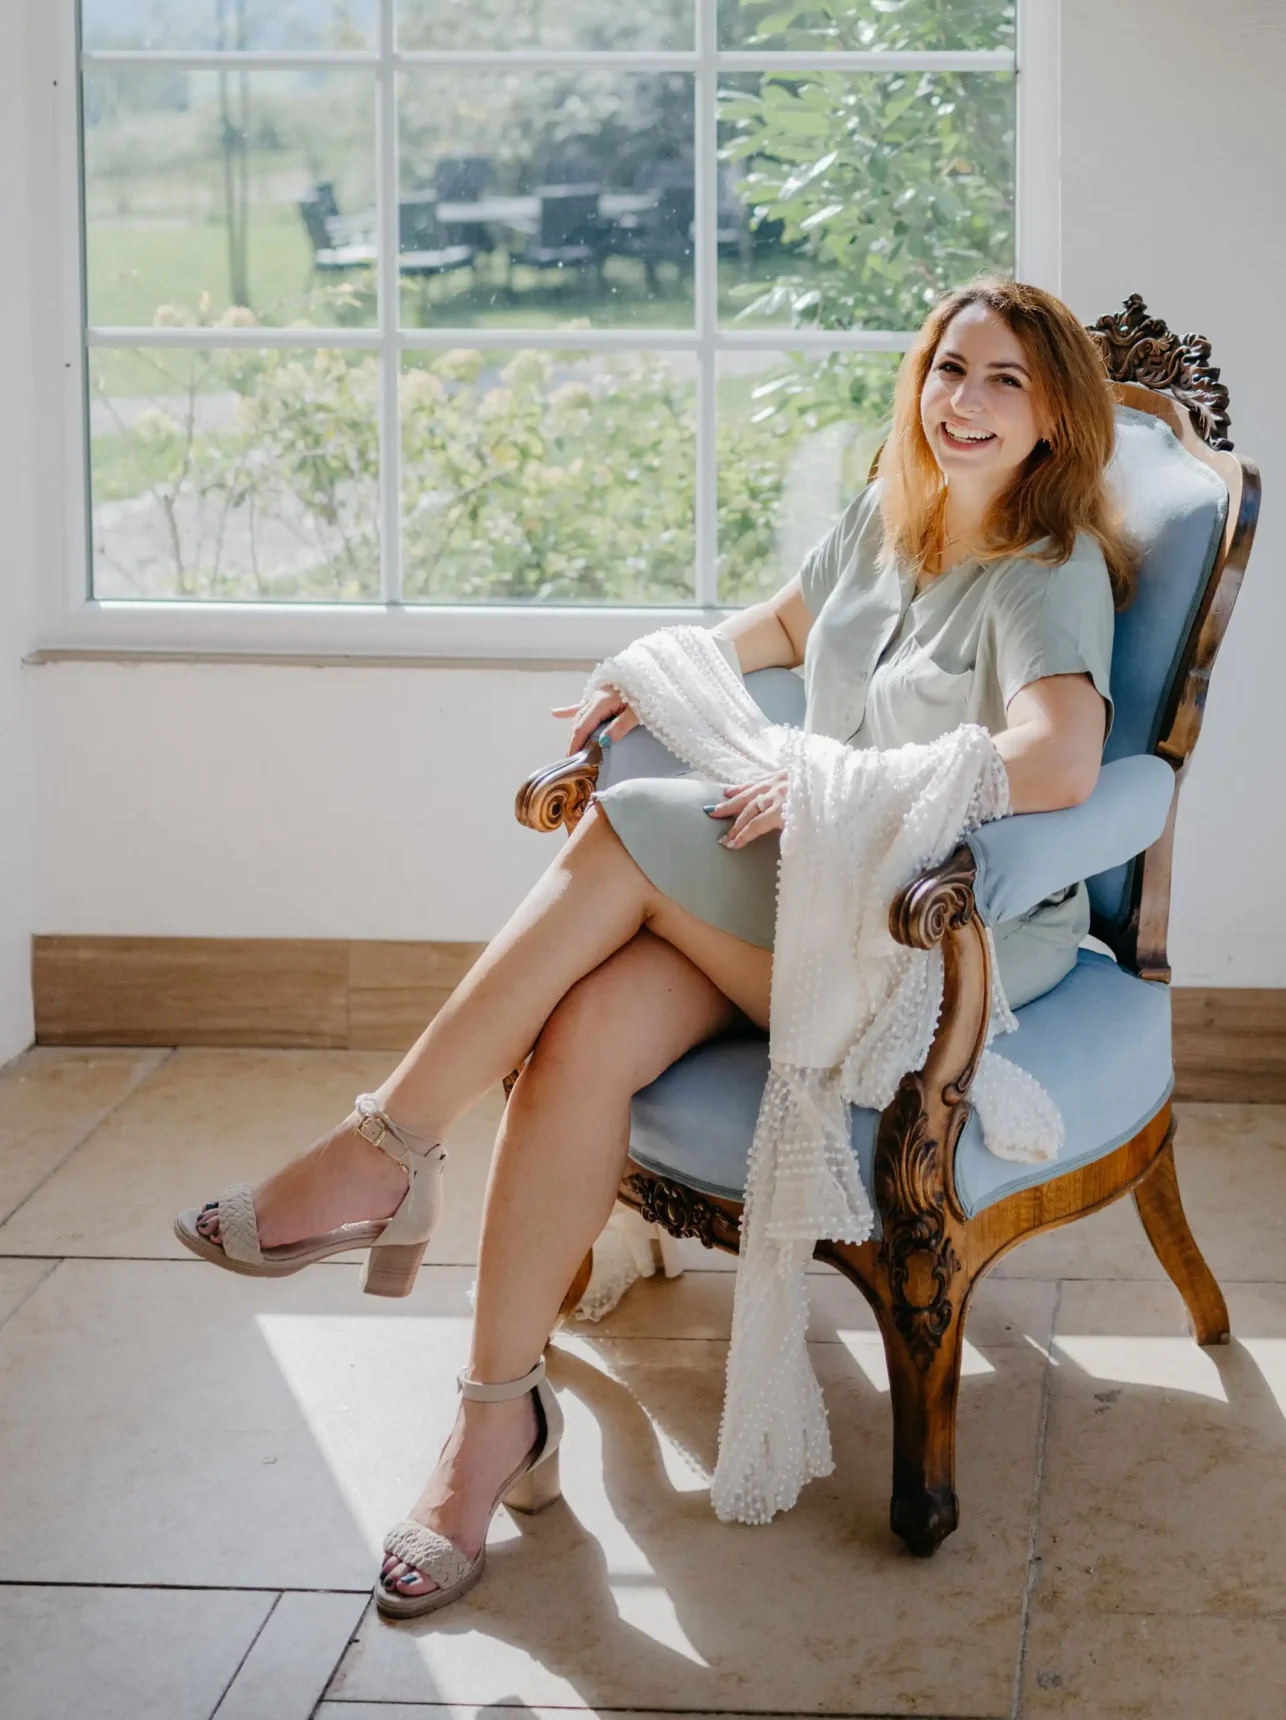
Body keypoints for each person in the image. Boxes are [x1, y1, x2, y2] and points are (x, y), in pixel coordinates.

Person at [173, 278, 1134, 1615]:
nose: (962, 404)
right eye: (947, 369)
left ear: (1051, 422)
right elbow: (791, 629)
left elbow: (1063, 756)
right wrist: (664, 665)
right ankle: (487, 1424)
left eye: (1003, 384)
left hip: (941, 944)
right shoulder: (884, 515)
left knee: (625, 836)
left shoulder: (1045, 571)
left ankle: (384, 1146)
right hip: (817, 892)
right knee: (579, 1038)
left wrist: (843, 789)